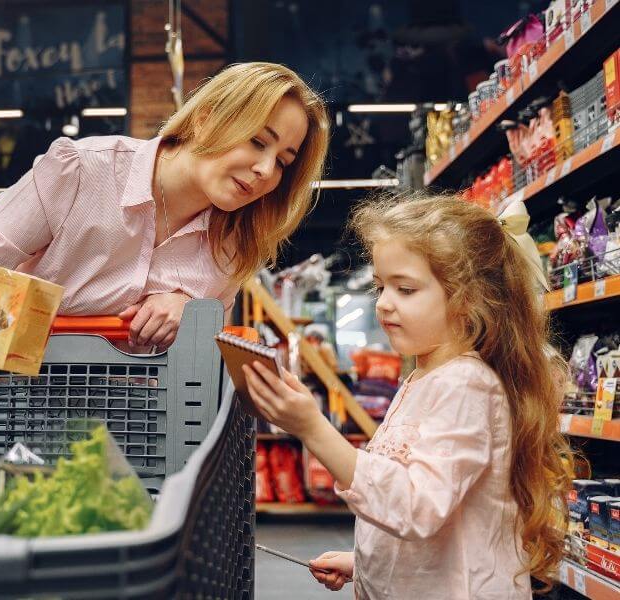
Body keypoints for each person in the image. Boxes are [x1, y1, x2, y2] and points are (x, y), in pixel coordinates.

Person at [242, 194, 573, 598]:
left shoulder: (466, 385)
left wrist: (314, 430)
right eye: (381, 286)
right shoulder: (425, 377)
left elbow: (418, 506)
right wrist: (364, 562)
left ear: (468, 300)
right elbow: (421, 505)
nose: (383, 303)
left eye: (405, 289)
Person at [0, 62, 330, 349]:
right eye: (258, 141)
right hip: (14, 414)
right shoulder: (82, 172)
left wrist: (192, 314)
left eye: (283, 161)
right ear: (206, 119)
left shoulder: (234, 244)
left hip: (140, 436)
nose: (265, 170)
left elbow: (203, 369)